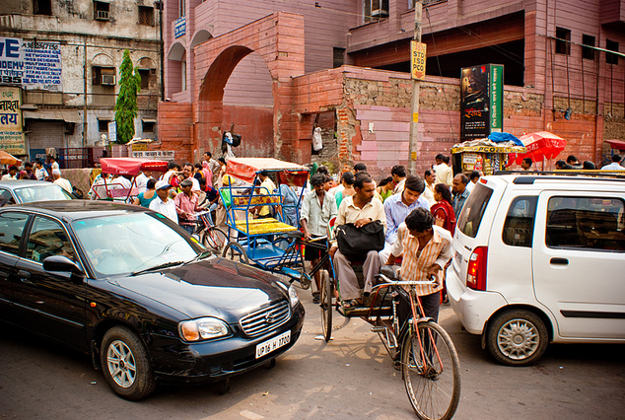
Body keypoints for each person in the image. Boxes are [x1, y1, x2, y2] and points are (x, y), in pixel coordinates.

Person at [385, 208, 453, 322]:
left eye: (413, 231)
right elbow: (397, 247)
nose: (410, 232)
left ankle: (429, 338)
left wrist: (435, 267)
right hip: (407, 280)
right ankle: (403, 339)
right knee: (404, 321)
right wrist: (388, 264)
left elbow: (446, 256)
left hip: (430, 283)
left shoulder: (444, 238)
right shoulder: (404, 229)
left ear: (426, 230)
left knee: (431, 321)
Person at [330, 172, 386, 308]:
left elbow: (383, 226)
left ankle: (369, 292)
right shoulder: (346, 203)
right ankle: (351, 296)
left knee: (374, 255)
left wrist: (370, 221)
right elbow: (337, 227)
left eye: (373, 189)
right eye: (368, 191)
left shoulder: (377, 204)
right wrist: (335, 244)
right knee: (338, 257)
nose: (372, 193)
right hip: (350, 245)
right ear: (357, 190)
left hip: (369, 245)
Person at [300, 174, 338, 303]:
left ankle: (329, 286)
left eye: (322, 185)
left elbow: (334, 216)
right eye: (318, 186)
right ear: (314, 186)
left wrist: (331, 233)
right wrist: (306, 232)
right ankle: (318, 290)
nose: (321, 188)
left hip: (326, 234)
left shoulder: (330, 198)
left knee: (328, 261)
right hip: (313, 234)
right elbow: (304, 215)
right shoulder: (309, 198)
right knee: (315, 263)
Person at [383, 175, 429, 248]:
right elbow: (389, 231)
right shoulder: (389, 203)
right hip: (394, 241)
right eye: (409, 193)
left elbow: (425, 228)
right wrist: (399, 246)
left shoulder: (424, 203)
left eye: (416, 196)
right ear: (404, 187)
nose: (411, 198)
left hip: (417, 242)